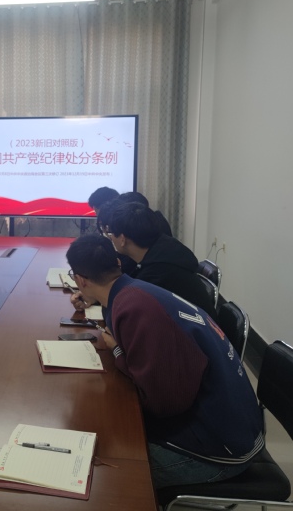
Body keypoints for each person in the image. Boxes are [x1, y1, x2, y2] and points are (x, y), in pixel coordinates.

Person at [65, 234, 264, 489]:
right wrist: (95, 301)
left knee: (104, 472)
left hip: (221, 449)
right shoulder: (133, 291)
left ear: (81, 280)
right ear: (117, 263)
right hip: (235, 425)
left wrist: (118, 353)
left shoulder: (134, 309)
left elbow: (163, 404)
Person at [104, 202, 215, 314]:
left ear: (122, 239)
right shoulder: (165, 248)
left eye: (111, 233)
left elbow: (126, 311)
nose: (110, 238)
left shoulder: (156, 274)